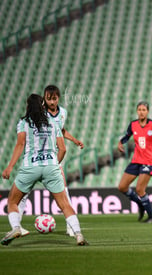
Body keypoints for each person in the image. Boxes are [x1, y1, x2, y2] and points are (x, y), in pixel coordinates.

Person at [1, 94, 87, 246]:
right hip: (51, 167)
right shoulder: (53, 122)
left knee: (12, 201)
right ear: (43, 106)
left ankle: (16, 228)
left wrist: (10, 166)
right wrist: (54, 164)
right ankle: (78, 234)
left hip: (30, 167)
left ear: (28, 106)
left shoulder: (23, 123)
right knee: (65, 204)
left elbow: (20, 145)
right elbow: (63, 148)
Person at [17, 85, 84, 238]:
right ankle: (17, 226)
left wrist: (74, 140)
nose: (52, 102)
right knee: (24, 193)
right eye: (48, 99)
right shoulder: (39, 113)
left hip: (52, 157)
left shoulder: (63, 113)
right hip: (36, 157)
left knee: (63, 191)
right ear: (44, 98)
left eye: (54, 99)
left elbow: (61, 130)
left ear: (58, 98)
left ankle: (71, 228)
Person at [117, 101, 152, 223]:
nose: (141, 112)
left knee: (140, 189)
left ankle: (151, 216)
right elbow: (127, 136)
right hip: (136, 160)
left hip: (148, 161)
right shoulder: (133, 124)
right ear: (136, 111)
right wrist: (120, 143)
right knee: (122, 187)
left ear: (148, 111)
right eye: (139, 109)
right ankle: (140, 204)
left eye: (144, 109)